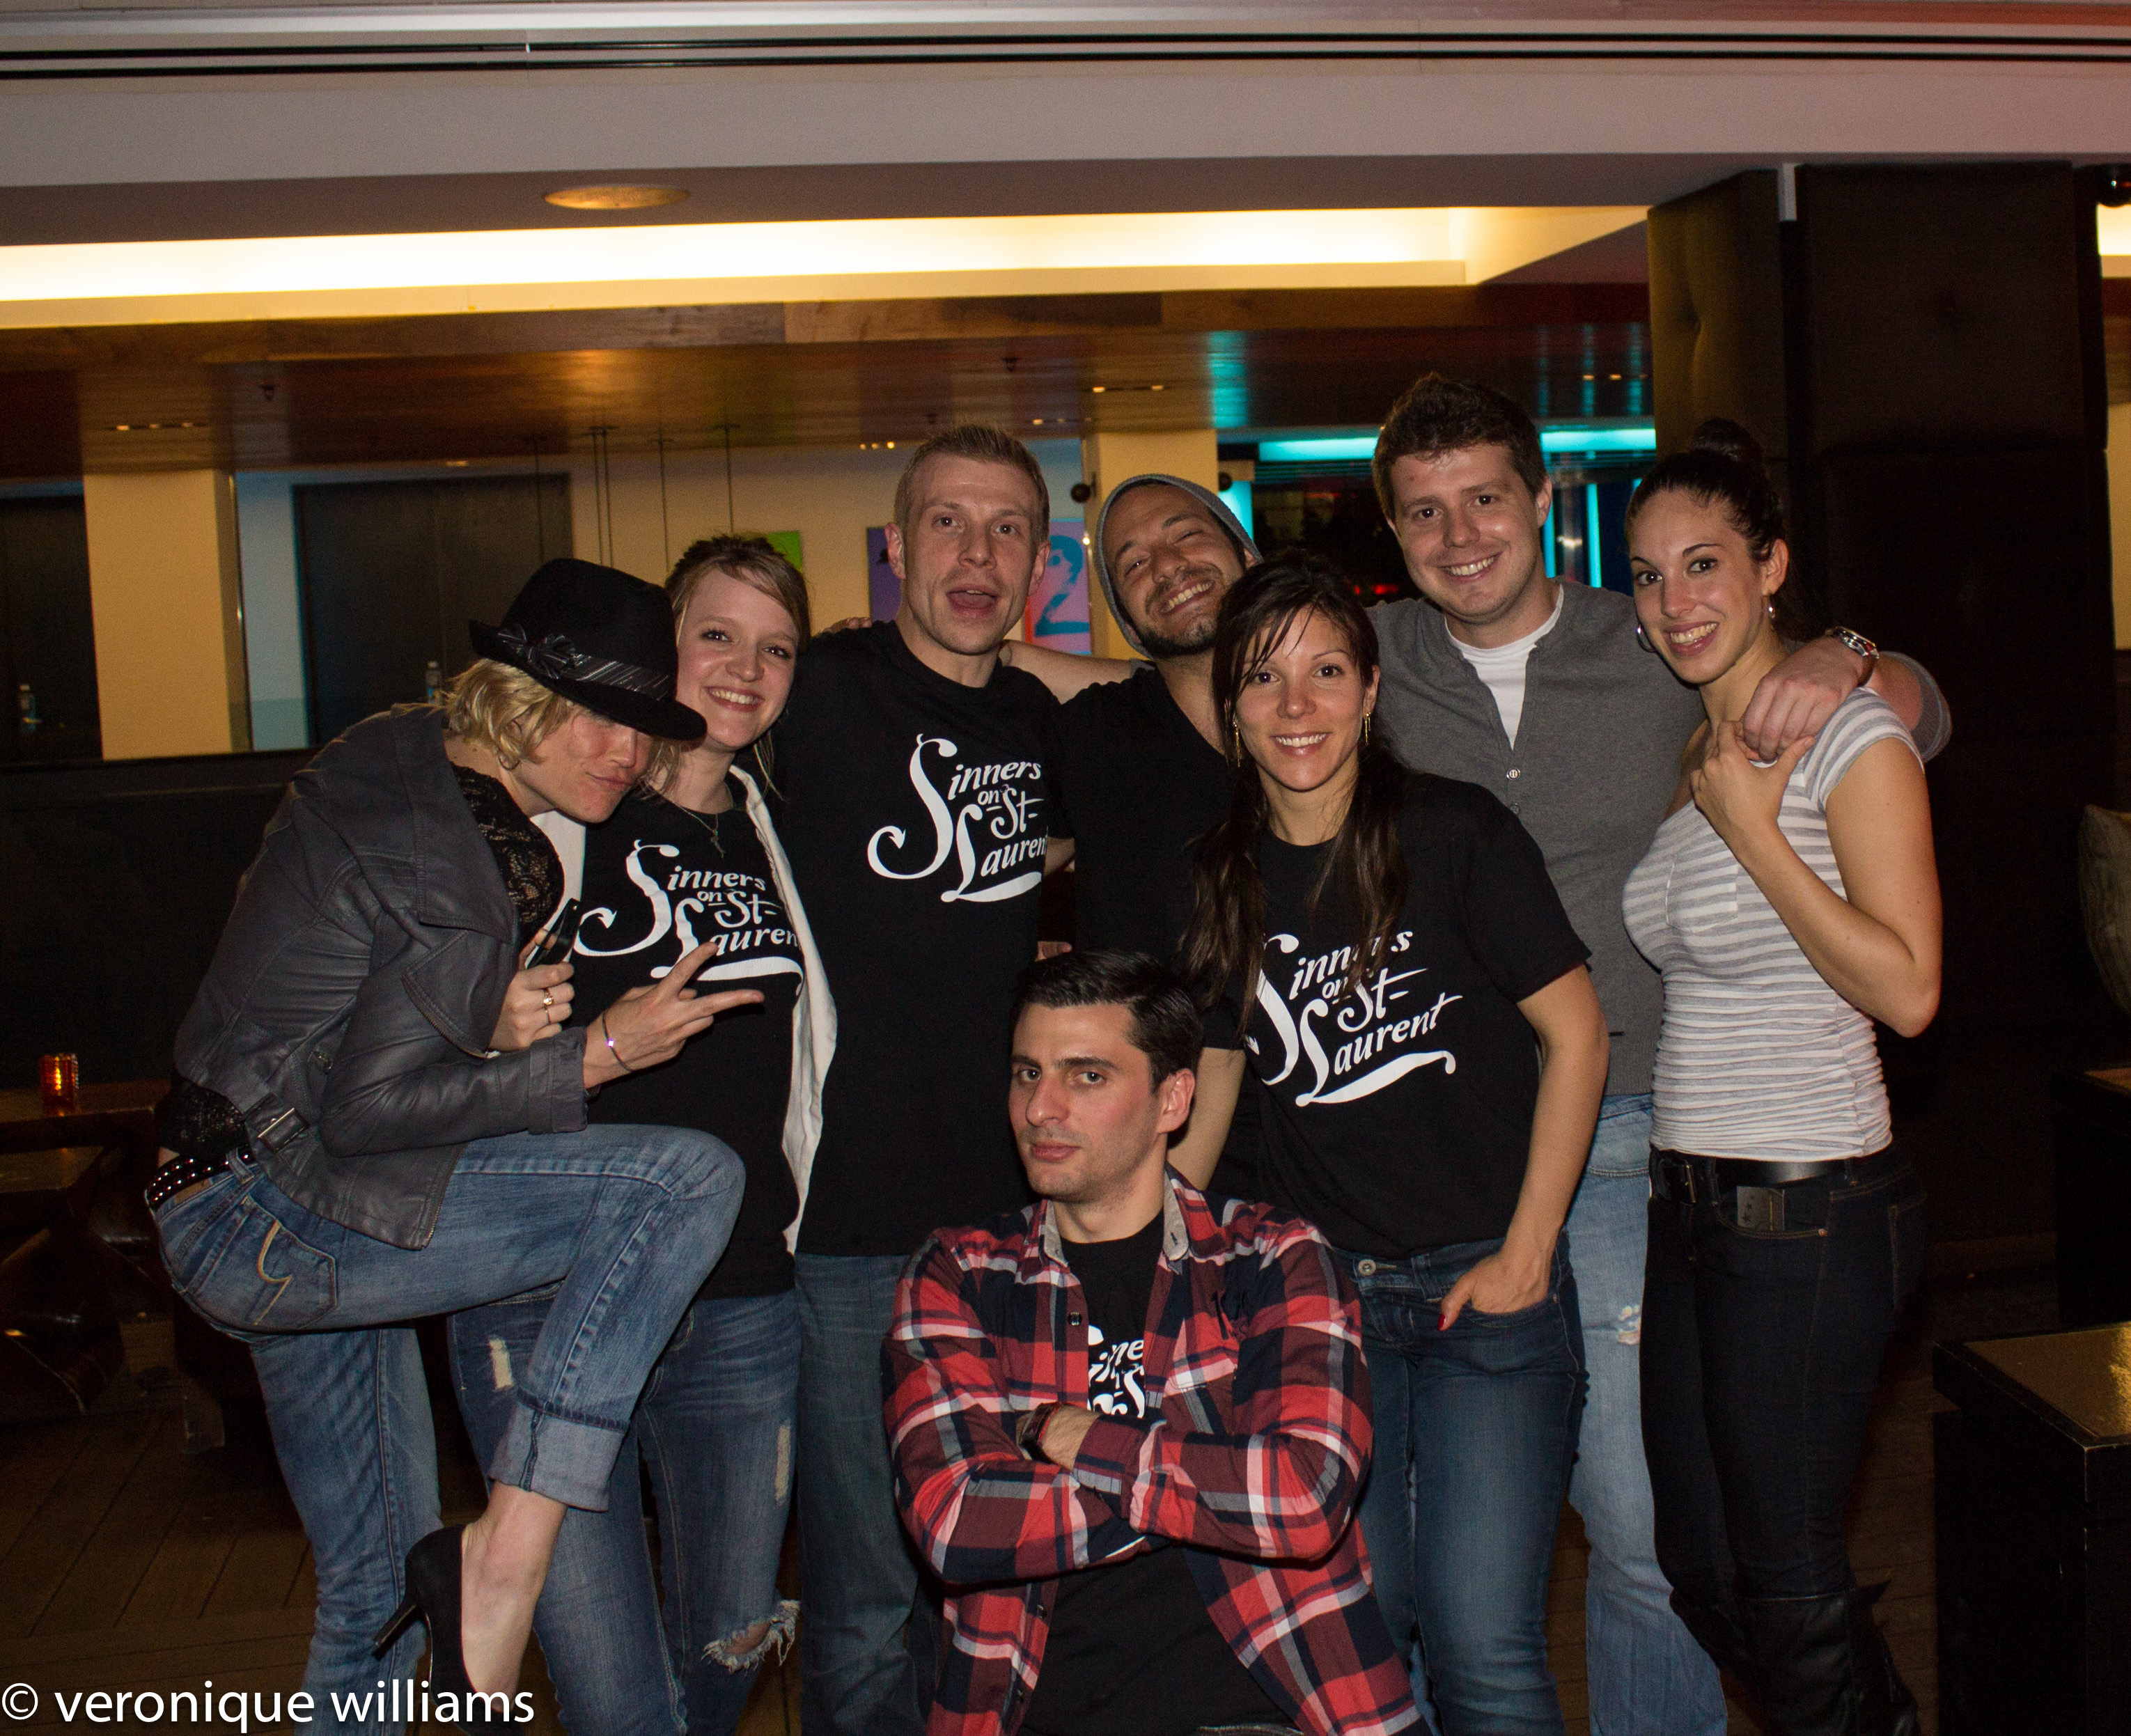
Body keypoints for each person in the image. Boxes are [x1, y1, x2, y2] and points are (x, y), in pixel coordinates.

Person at [1361, 375, 1951, 1736]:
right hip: (1458, 1151)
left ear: (1542, 499)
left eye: (1486, 498)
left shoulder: (1658, 640)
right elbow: (1188, 685)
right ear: (1391, 533)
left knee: (1647, 1539)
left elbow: (1920, 712)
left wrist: (1850, 651)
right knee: (1462, 1545)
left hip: (1649, 1140)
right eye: (1424, 512)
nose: (1460, 535)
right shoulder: (1367, 662)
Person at [147, 558, 756, 1733]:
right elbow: (369, 1111)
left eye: (640, 725)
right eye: (593, 716)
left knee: (372, 1603)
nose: (622, 752)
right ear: (518, 702)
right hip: (282, 1208)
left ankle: (451, 1593)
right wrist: (596, 1055)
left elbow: (342, 1028)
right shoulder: (483, 861)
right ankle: (506, 1554)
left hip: (221, 1185)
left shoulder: (396, 754)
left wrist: (475, 1025)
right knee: (685, 1178)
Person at [1177, 556, 1611, 1736]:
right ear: (1230, 707)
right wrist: (1159, 1258)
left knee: (1485, 1650)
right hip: (1324, 1307)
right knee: (1359, 1643)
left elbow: (1578, 1034)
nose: (1297, 705)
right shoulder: (1219, 872)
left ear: (1370, 692)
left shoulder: (1454, 830)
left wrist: (1529, 1254)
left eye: (1327, 672)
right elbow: (1218, 1074)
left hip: (1486, 1295)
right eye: (1263, 678)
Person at [447, 536, 832, 1735]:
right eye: (716, 635)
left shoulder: (774, 827)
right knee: (612, 1691)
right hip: (555, 1292)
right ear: (659, 647)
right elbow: (432, 1014)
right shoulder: (562, 810)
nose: (745, 669)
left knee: (728, 1647)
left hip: (745, 1292)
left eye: (776, 648)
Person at [884, 948, 1418, 1736]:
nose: (1041, 1108)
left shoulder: (1270, 1256)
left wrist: (1068, 1434)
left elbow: (1304, 1499)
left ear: (1173, 1098)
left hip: (1264, 1713)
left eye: (1087, 1076)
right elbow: (957, 1523)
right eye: (1028, 1073)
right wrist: (1221, 1485)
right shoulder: (959, 1273)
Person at [1621, 422, 1937, 1735]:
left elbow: (1909, 988)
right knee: (1702, 1568)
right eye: (1648, 575)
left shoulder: (1848, 738)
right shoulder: (1698, 762)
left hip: (1809, 1203)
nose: (1675, 599)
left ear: (1771, 569)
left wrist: (1757, 834)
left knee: (1788, 1574)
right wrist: (1728, 806)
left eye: (1704, 563)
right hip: (1690, 1203)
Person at [770, 424, 1068, 1735]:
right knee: (863, 1600)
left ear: (1041, 563)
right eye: (948, 522)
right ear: (897, 546)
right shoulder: (819, 687)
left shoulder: (1040, 720)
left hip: (1012, 1221)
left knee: (1002, 1572)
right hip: (848, 1220)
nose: (976, 553)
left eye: (1008, 529)